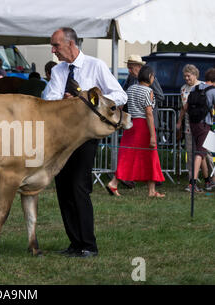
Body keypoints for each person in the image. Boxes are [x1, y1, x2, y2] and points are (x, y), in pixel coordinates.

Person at [42, 27, 127, 258]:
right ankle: (75, 243)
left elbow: (120, 95)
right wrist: (64, 100)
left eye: (56, 45)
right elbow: (49, 99)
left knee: (79, 187)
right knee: (63, 188)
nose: (53, 50)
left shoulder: (95, 66)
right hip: (60, 139)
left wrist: (91, 99)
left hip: (85, 139)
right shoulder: (59, 70)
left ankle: (89, 245)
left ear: (70, 44)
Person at [106, 66, 165, 198]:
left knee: (128, 155)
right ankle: (150, 190)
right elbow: (149, 113)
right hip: (144, 126)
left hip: (131, 124)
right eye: (153, 76)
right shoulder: (148, 91)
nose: (154, 78)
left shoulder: (131, 89)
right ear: (149, 76)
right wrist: (152, 136)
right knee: (151, 156)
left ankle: (115, 183)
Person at [176, 64, 214, 190]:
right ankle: (194, 180)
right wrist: (180, 121)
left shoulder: (203, 86)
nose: (186, 78)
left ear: (195, 75)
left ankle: (209, 178)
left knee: (205, 152)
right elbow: (184, 107)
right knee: (194, 152)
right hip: (192, 123)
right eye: (185, 76)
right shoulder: (183, 89)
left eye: (189, 75)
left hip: (200, 123)